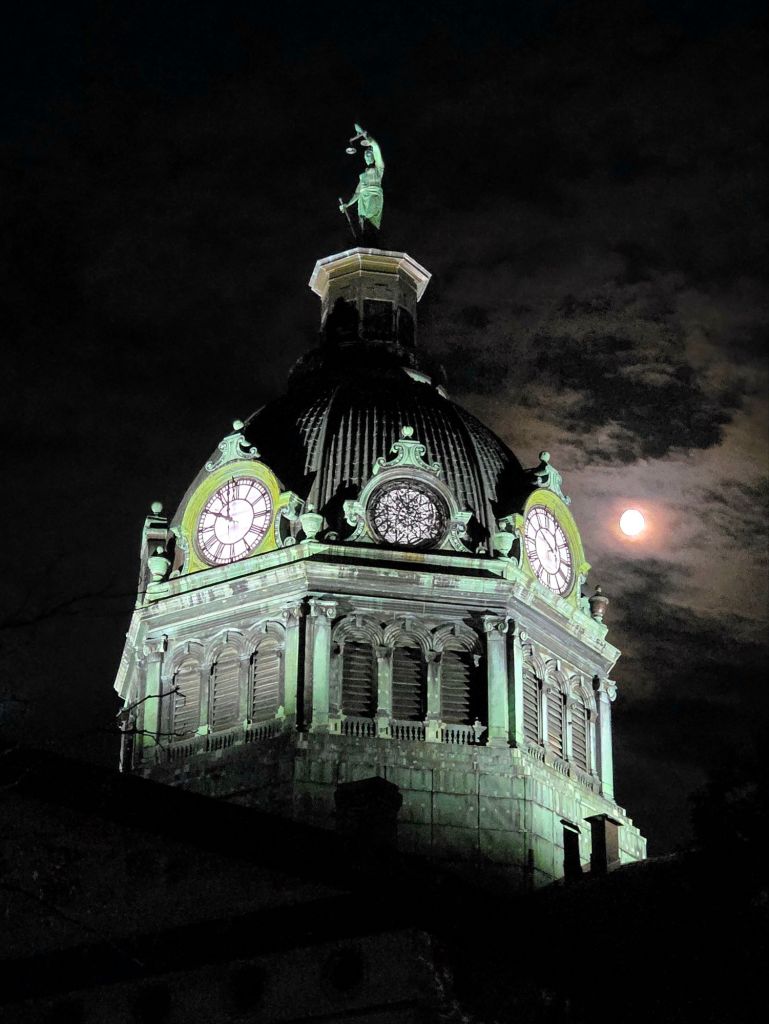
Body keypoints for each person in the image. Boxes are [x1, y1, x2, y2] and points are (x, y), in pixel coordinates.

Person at [339, 124, 385, 238]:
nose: (367, 156)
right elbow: (357, 193)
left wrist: (366, 137)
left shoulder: (379, 169)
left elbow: (376, 147)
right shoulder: (363, 176)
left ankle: (373, 242)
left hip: (374, 197)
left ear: (373, 156)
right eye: (365, 155)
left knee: (371, 224)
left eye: (369, 154)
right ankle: (365, 241)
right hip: (362, 201)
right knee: (363, 226)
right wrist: (347, 204)